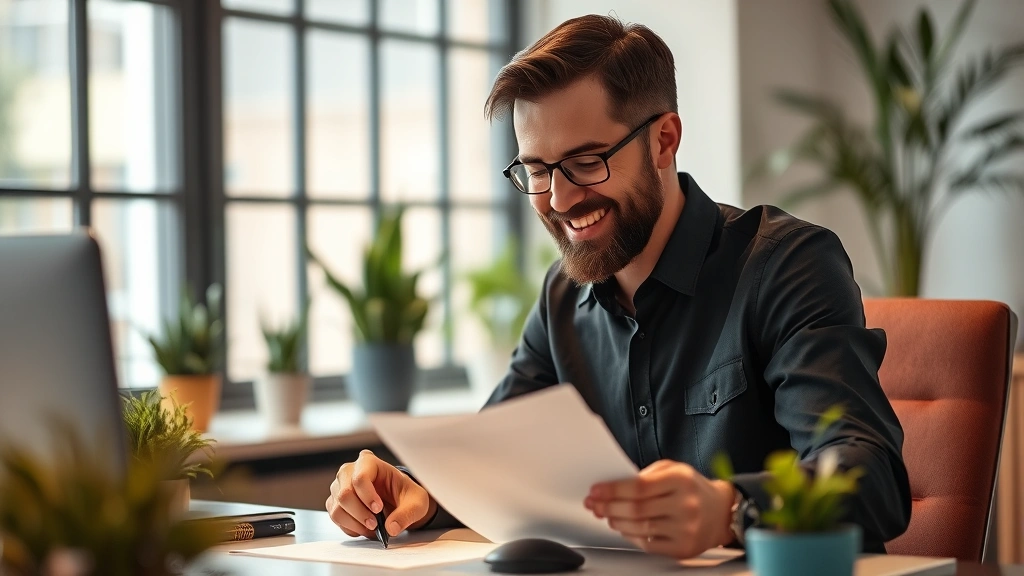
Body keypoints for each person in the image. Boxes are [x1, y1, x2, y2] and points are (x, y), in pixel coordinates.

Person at [325, 14, 911, 559]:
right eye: (535, 170)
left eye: (585, 162)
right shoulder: (562, 298)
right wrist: (417, 494)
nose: (557, 199)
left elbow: (871, 477)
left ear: (664, 140)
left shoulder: (787, 264)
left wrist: (730, 510)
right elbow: (492, 464)